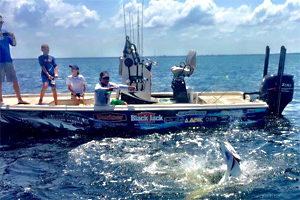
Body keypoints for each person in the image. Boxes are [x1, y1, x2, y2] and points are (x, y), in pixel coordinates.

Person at [0, 15, 28, 104]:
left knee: (15, 80)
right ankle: (0, 100)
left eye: (1, 22)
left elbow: (14, 44)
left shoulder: (5, 32)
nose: (0, 24)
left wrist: (13, 36)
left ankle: (20, 99)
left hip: (8, 60)